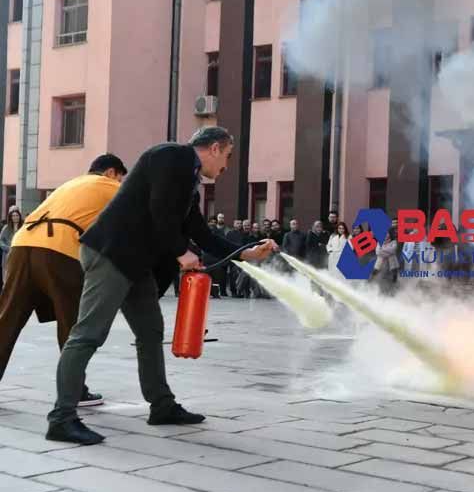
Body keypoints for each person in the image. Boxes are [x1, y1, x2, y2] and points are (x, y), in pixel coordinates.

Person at [45, 127, 277, 445]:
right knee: (88, 334)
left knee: (151, 332)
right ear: (214, 148)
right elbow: (160, 210)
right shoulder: (171, 156)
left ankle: (162, 406)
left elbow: (202, 234)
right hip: (111, 253)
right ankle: (61, 419)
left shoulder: (189, 183)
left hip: (135, 263)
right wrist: (182, 253)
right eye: (227, 156)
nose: (226, 166)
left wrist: (247, 253)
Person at [0, 155, 128, 408]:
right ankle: (74, 390)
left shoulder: (69, 185)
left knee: (6, 320)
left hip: (22, 246)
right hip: (58, 250)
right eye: (121, 177)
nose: (121, 182)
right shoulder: (110, 186)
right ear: (112, 172)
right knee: (72, 322)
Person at [373, 227, 400, 294]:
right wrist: (388, 252)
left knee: (392, 279)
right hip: (381, 265)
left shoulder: (393, 242)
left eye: (386, 233)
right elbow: (377, 252)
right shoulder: (379, 242)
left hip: (392, 265)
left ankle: (392, 293)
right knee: (381, 278)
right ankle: (380, 292)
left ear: (390, 234)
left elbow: (393, 250)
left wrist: (382, 250)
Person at [0, 206, 23, 282]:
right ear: (10, 217)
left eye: (17, 215)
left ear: (19, 216)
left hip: (20, 255)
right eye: (13, 216)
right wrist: (8, 248)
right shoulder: (6, 228)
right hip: (8, 255)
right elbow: (1, 241)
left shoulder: (23, 228)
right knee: (7, 276)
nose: (15, 217)